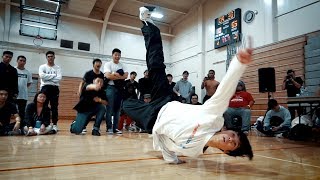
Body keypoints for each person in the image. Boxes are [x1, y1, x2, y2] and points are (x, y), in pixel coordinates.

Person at [123, 7, 253, 164]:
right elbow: (224, 93)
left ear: (227, 151)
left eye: (234, 144)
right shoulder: (214, 119)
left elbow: (168, 144)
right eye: (234, 135)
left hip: (152, 120)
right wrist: (239, 64)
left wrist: (171, 159)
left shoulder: (194, 152)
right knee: (156, 63)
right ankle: (149, 26)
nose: (230, 139)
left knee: (124, 104)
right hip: (166, 100)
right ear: (229, 130)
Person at [103, 48, 128, 134]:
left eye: (119, 55)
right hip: (110, 87)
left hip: (119, 89)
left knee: (118, 109)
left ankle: (115, 128)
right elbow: (108, 76)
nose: (117, 56)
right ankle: (109, 127)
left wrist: (114, 74)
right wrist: (117, 76)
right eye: (116, 54)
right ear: (112, 55)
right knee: (109, 108)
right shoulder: (108, 64)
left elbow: (125, 76)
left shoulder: (122, 65)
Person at [38, 51, 62, 132]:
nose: (50, 58)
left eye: (52, 56)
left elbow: (59, 78)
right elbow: (42, 76)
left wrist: (47, 77)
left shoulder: (57, 68)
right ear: (46, 57)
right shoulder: (42, 67)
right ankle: (43, 123)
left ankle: (55, 124)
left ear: (54, 57)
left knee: (54, 107)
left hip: (54, 88)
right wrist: (53, 76)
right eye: (48, 56)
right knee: (43, 106)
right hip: (45, 88)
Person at [15, 55, 33, 122]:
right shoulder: (13, 70)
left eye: (24, 61)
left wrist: (23, 88)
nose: (22, 62)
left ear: (25, 62)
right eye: (20, 60)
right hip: (13, 95)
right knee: (10, 111)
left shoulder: (28, 72)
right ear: (17, 61)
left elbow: (29, 83)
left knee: (22, 111)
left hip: (23, 96)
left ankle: (21, 125)